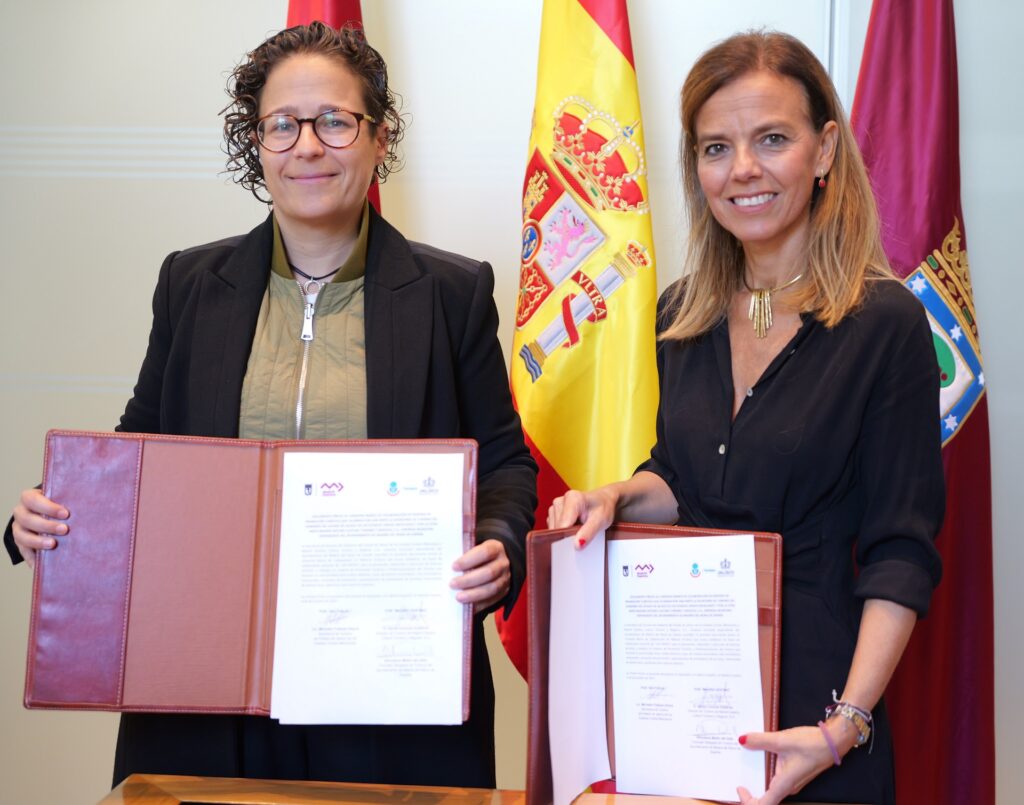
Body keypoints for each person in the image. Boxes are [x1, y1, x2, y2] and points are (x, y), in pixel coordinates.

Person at [5, 22, 537, 790]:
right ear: (255, 142)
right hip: (205, 679)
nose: (307, 146)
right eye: (282, 124)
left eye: (335, 121)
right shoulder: (191, 284)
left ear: (378, 137)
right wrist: (52, 513)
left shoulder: (453, 294)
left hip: (388, 685)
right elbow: (140, 454)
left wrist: (499, 543)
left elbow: (507, 461)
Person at [548, 30, 943, 805]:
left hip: (817, 725)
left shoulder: (886, 323)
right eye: (716, 148)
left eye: (772, 139)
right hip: (686, 715)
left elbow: (901, 550)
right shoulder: (681, 316)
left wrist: (844, 727)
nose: (743, 170)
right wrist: (616, 497)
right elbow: (682, 478)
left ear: (825, 150)